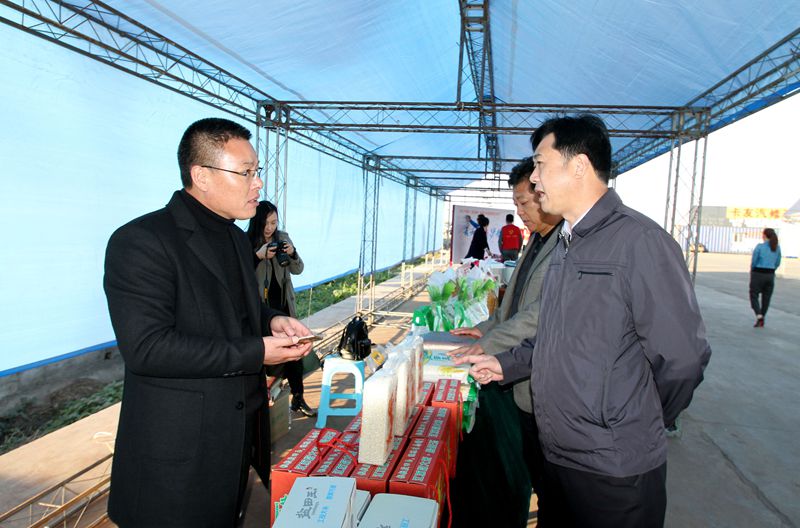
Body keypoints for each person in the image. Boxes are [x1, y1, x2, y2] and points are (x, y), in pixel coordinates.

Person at [460, 114, 712, 528]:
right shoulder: (566, 244)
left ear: (578, 166)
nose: (534, 180)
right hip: (561, 455)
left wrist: (636, 421)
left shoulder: (640, 242)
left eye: (541, 165)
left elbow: (683, 359)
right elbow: (556, 337)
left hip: (614, 469)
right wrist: (505, 364)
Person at [103, 117, 314, 527]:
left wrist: (271, 321)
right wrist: (257, 352)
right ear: (201, 175)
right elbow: (148, 348)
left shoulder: (234, 237)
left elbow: (236, 309)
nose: (258, 184)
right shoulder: (142, 240)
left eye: (257, 171)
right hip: (178, 456)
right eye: (246, 173)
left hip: (235, 435)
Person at [449, 157, 563, 525]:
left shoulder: (566, 246)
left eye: (524, 202)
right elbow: (510, 306)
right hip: (510, 371)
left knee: (534, 475)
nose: (520, 212)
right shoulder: (536, 241)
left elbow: (538, 316)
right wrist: (483, 329)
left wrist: (488, 344)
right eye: (516, 204)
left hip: (534, 383)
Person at [246, 200, 316, 416]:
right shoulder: (246, 241)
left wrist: (292, 253)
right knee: (264, 355)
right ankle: (262, 402)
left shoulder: (283, 238)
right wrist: (258, 256)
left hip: (284, 306)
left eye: (274, 223)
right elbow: (240, 275)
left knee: (294, 353)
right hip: (260, 309)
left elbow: (298, 269)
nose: (270, 228)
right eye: (266, 223)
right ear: (257, 222)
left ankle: (298, 397)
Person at [749, 227, 781, 327]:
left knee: (753, 295)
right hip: (770, 274)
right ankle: (762, 317)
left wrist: (752, 270)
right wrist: (772, 269)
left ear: (764, 235)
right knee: (766, 298)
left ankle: (759, 315)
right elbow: (778, 262)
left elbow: (754, 261)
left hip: (758, 273)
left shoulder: (760, 247)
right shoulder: (777, 248)